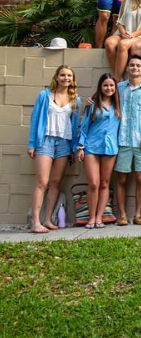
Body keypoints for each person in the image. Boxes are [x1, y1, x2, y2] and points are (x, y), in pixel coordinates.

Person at [28, 65, 81, 233]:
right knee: (42, 182)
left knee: (56, 182)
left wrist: (74, 148)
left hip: (64, 143)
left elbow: (75, 127)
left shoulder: (76, 100)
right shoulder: (45, 96)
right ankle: (35, 222)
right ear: (56, 77)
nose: (66, 78)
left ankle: (48, 219)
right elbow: (35, 120)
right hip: (45, 141)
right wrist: (32, 144)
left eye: (69, 76)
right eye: (63, 75)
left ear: (73, 79)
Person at [114, 55, 141, 226]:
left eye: (138, 65)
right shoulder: (118, 88)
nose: (135, 68)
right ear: (127, 68)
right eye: (132, 65)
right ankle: (123, 215)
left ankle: (138, 214)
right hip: (122, 140)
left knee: (140, 178)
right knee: (122, 179)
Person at [76, 74, 119, 229]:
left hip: (110, 148)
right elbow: (84, 126)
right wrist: (80, 147)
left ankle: (100, 218)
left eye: (112, 85)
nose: (109, 88)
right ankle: (91, 217)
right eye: (105, 85)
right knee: (94, 183)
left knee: (105, 183)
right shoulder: (92, 105)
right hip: (91, 148)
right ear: (100, 87)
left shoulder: (118, 106)